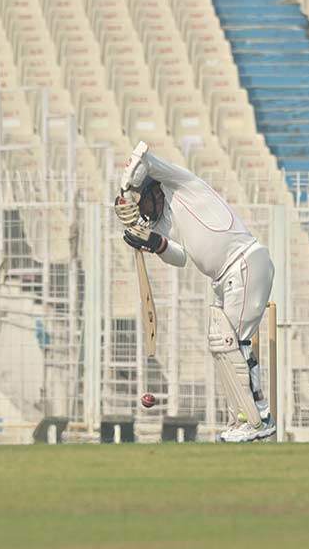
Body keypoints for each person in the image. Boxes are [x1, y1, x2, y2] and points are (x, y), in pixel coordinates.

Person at [114, 142, 276, 443]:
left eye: (141, 202)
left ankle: (259, 419)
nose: (141, 210)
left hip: (244, 262)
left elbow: (144, 158)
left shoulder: (181, 184)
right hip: (225, 278)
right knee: (222, 346)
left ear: (154, 191)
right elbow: (178, 257)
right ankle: (243, 417)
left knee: (233, 344)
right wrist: (152, 242)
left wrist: (124, 190)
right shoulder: (161, 223)